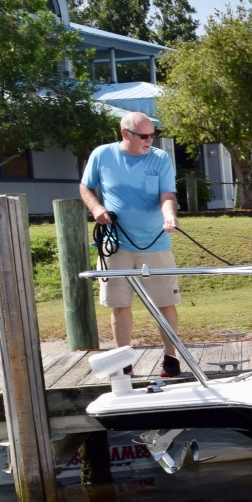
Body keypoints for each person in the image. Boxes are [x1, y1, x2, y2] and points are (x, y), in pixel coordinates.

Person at [79, 111, 183, 377]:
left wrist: (170, 216)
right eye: (144, 136)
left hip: (155, 243)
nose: (150, 140)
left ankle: (171, 358)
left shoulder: (160, 158)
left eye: (152, 135)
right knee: (119, 304)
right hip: (116, 244)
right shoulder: (102, 154)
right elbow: (86, 187)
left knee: (164, 302)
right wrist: (96, 208)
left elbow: (167, 194)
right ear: (125, 133)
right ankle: (123, 362)